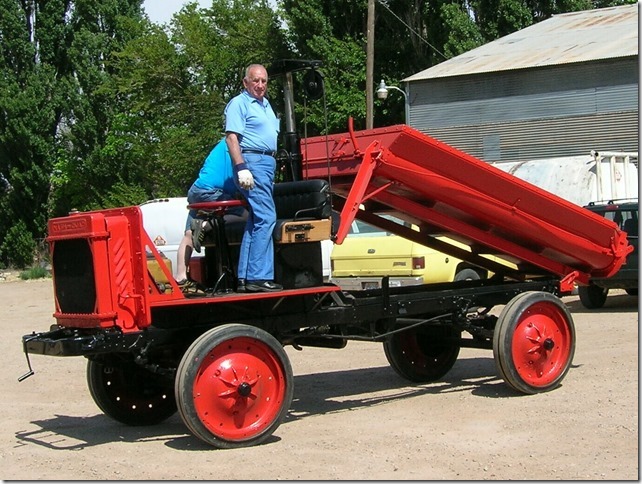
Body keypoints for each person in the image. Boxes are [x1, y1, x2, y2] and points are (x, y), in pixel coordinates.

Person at [224, 63, 282, 293]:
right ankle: (259, 276)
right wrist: (241, 168)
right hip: (253, 163)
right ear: (245, 82)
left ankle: (245, 277)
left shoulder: (265, 104)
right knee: (268, 216)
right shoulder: (239, 103)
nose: (260, 85)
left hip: (266, 163)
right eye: (255, 81)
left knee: (257, 219)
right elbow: (231, 138)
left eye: (264, 81)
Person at [175, 138, 246, 287]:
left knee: (189, 233)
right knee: (247, 215)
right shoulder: (237, 146)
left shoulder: (222, 145)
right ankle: (206, 225)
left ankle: (180, 277)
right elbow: (238, 177)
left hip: (196, 190)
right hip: (212, 192)